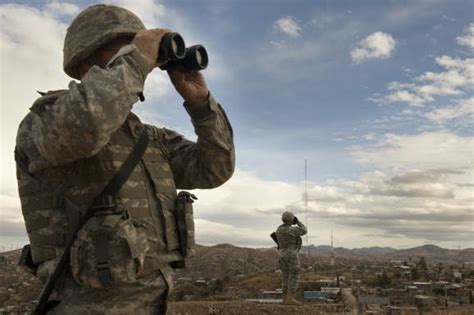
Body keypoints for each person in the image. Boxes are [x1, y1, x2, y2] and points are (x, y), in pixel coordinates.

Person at [15, 4, 234, 314]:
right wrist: (136, 61)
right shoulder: (47, 120)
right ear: (85, 58)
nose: (142, 58)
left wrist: (200, 105)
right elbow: (86, 125)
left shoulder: (149, 138)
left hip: (155, 301)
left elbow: (215, 169)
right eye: (125, 49)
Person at [275, 211, 307, 305]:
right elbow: (304, 230)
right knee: (294, 275)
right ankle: (290, 298)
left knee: (285, 275)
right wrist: (297, 222)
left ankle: (285, 298)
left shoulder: (279, 229)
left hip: (281, 253)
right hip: (291, 253)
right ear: (291, 219)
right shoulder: (291, 230)